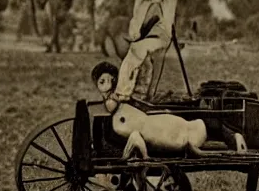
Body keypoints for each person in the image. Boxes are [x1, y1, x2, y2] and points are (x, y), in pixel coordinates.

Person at [91, 61, 248, 158]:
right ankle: (227, 137)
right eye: (102, 82)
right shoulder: (118, 106)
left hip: (158, 127)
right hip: (154, 128)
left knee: (192, 129)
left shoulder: (122, 101)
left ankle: (232, 137)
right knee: (190, 129)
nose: (107, 85)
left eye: (110, 80)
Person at [105, 0, 177, 114]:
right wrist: (147, 0)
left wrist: (157, 0)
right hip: (143, 38)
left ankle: (122, 93)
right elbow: (135, 25)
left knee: (139, 48)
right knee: (141, 57)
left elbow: (167, 24)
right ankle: (140, 95)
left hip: (161, 37)